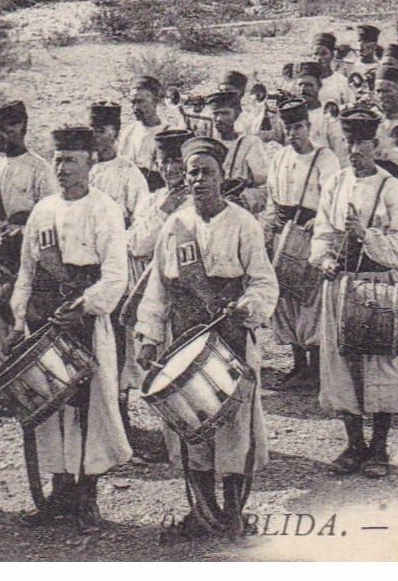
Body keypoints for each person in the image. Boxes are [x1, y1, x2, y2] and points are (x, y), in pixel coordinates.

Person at [135, 136, 278, 539]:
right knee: (188, 422)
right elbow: (159, 289)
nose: (198, 179)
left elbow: (264, 282)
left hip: (229, 335)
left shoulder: (243, 223)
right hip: (183, 337)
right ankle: (202, 510)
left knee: (232, 426)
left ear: (222, 176)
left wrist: (249, 307)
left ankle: (232, 511)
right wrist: (148, 335)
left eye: (207, 172)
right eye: (192, 171)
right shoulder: (175, 225)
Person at [9, 127, 133, 533]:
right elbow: (26, 271)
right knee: (49, 406)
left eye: (72, 160)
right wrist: (19, 318)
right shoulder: (43, 210)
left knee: (86, 407)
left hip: (84, 320)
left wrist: (84, 304)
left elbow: (116, 277)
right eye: (58, 159)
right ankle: (59, 492)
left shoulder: (105, 209)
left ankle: (86, 496)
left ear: (90, 163)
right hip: (44, 318)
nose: (63, 168)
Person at [312, 108, 398, 478]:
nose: (353, 150)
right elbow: (323, 230)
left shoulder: (392, 187)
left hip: (378, 285)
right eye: (347, 142)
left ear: (375, 145)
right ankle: (354, 444)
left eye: (361, 143)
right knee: (344, 364)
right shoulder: (335, 183)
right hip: (341, 284)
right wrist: (324, 258)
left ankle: (379, 447)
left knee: (381, 364)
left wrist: (364, 234)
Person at [122, 128, 193, 459]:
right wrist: (164, 210)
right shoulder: (153, 201)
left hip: (191, 298)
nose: (173, 170)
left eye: (179, 162)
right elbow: (136, 244)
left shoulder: (199, 200)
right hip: (158, 296)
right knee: (162, 370)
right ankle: (172, 443)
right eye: (166, 162)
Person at [263, 98, 342, 390]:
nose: (293, 133)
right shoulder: (280, 157)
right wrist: (270, 224)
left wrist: (320, 219)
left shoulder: (326, 159)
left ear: (309, 127)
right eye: (288, 128)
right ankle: (298, 364)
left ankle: (317, 367)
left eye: (298, 127)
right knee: (285, 298)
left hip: (311, 234)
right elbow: (272, 196)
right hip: (283, 233)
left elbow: (334, 198)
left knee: (311, 299)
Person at [0, 100, 57, 371]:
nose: (1, 136)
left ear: (21, 126)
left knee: (26, 313)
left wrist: (22, 232)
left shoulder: (39, 168)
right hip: (0, 255)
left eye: (7, 129)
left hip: (29, 252)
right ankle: (3, 379)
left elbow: (50, 214)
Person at [209, 89, 270, 214]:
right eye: (216, 114)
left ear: (236, 114)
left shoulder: (250, 144)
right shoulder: (207, 145)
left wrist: (244, 201)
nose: (219, 119)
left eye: (226, 113)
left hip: (240, 214)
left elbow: (265, 186)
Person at [89, 101, 149, 228]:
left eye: (100, 131)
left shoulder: (128, 172)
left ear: (115, 134)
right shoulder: (81, 167)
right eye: (91, 131)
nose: (94, 137)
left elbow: (141, 216)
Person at [119, 76, 171, 190]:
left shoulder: (168, 133)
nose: (135, 107)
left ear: (156, 102)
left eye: (141, 102)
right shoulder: (128, 132)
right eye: (133, 102)